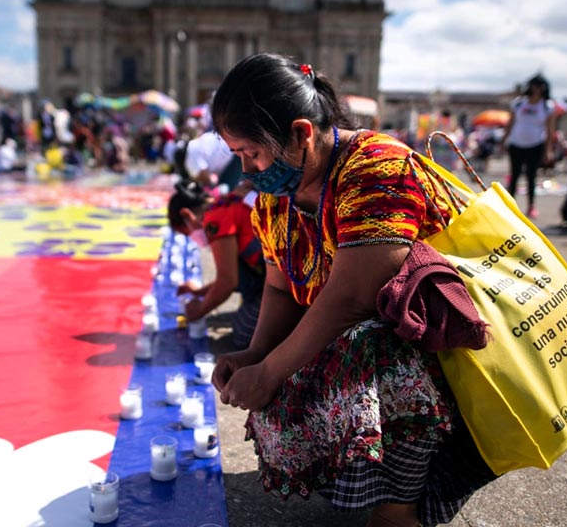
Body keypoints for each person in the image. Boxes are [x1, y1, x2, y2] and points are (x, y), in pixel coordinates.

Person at [208, 53, 496, 527]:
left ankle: (399, 509)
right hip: (364, 327)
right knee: (291, 366)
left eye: (252, 153)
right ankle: (363, 482)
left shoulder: (377, 169)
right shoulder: (277, 200)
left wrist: (269, 372)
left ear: (302, 133)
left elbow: (352, 299)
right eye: (237, 155)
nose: (247, 169)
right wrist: (254, 354)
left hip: (453, 355)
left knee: (371, 346)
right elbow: (279, 291)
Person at [168, 180, 265, 349]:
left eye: (187, 233)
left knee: (244, 335)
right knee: (242, 318)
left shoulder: (215, 218)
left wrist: (199, 311)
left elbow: (227, 282)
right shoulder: (225, 202)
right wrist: (201, 292)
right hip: (272, 272)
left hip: (287, 280)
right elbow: (232, 272)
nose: (193, 239)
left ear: (187, 215)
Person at [500, 74, 557, 218]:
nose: (537, 89)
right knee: (514, 176)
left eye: (540, 86)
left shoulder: (547, 106)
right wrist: (503, 140)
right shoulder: (519, 103)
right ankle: (509, 205)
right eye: (535, 85)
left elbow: (550, 130)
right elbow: (510, 123)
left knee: (531, 177)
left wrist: (548, 150)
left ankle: (531, 206)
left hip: (536, 144)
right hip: (516, 144)